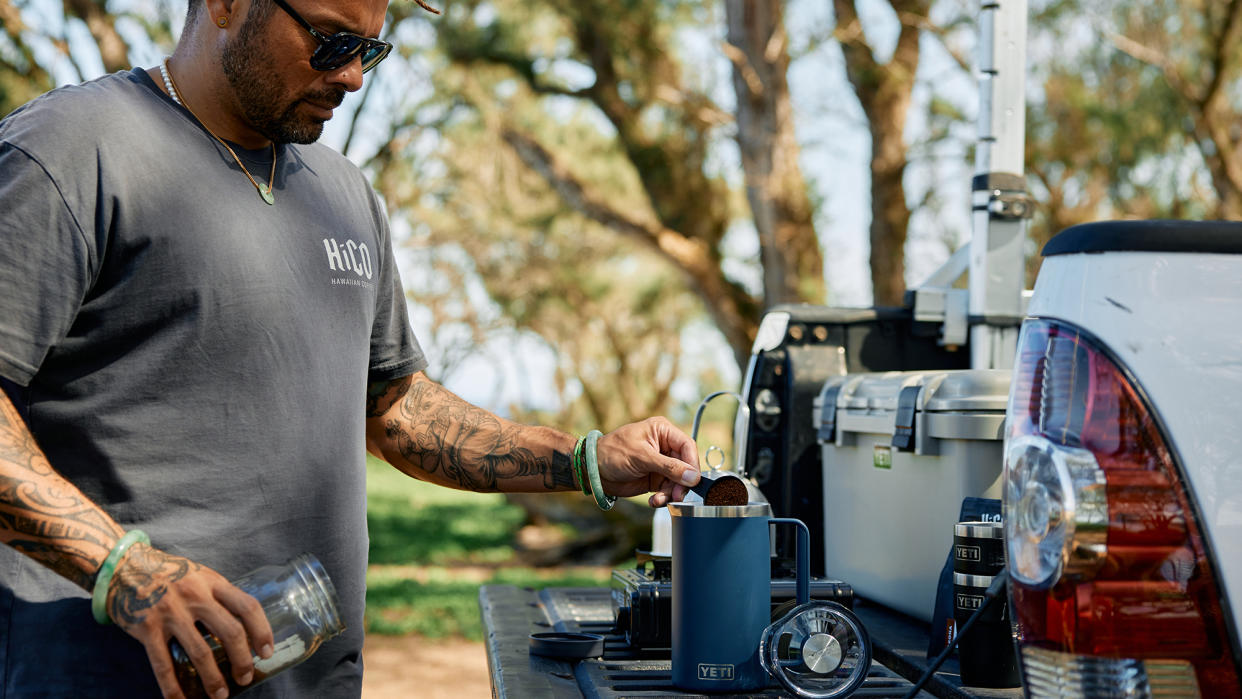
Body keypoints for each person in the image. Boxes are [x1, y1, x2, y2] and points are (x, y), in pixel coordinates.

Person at [0, 0, 702, 696]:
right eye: (331, 41)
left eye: (371, 51)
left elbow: (396, 410)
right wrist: (124, 567)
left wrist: (587, 460)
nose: (354, 78)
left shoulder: (343, 194)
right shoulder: (71, 149)